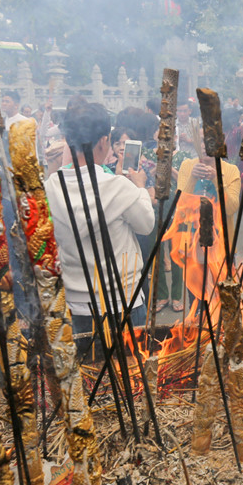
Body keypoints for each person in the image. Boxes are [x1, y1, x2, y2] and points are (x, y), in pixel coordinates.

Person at [45, 102, 154, 346]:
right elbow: (146, 224)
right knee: (131, 375)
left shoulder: (52, 186)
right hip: (122, 298)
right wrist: (139, 186)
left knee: (87, 377)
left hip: (76, 302)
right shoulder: (117, 186)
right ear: (104, 141)